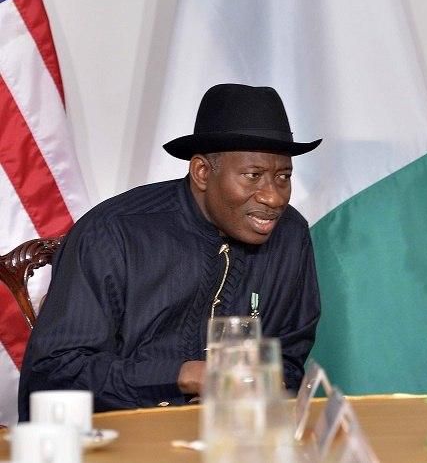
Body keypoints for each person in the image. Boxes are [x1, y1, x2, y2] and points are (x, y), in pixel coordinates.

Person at [19, 84, 322, 417]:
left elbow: (288, 357)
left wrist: (264, 387)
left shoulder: (290, 234)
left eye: (283, 177)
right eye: (253, 176)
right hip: (116, 440)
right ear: (202, 172)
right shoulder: (113, 233)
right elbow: (55, 373)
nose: (274, 197)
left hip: (233, 437)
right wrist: (185, 376)